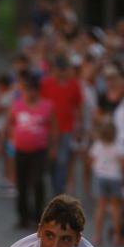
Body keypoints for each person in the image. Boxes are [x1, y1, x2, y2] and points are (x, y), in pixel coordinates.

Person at [8, 71, 57, 228]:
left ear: (37, 91)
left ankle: (38, 215)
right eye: (25, 90)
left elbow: (54, 128)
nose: (28, 94)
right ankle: (23, 217)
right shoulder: (18, 105)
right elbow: (10, 123)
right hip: (21, 149)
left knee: (37, 182)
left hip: (39, 150)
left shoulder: (47, 106)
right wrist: (9, 141)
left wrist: (53, 148)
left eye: (31, 90)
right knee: (21, 183)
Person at [40, 55, 83, 196]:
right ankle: (52, 187)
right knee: (49, 160)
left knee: (62, 160)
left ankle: (58, 191)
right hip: (48, 129)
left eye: (64, 70)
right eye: (59, 70)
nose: (62, 73)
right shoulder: (46, 83)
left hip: (66, 129)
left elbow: (78, 106)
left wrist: (79, 126)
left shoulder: (74, 85)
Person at [89, 121, 124, 246]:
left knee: (100, 207)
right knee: (116, 208)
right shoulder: (118, 146)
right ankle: (117, 236)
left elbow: (91, 158)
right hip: (115, 177)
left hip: (100, 176)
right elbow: (123, 163)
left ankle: (97, 236)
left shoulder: (98, 145)